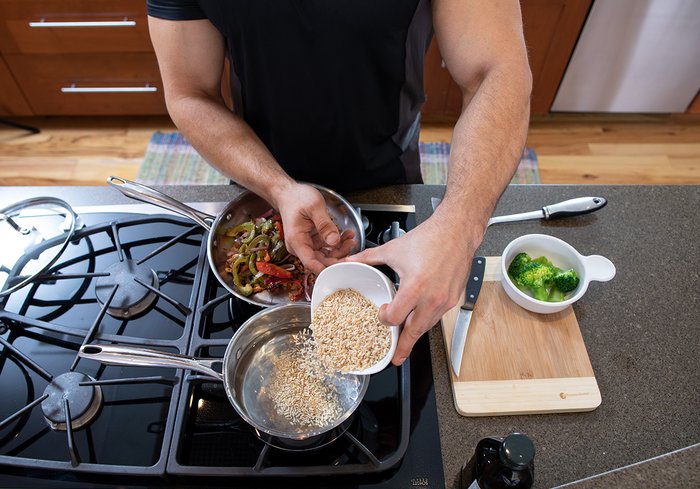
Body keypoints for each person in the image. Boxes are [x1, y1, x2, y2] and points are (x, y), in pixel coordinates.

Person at [146, 0, 532, 366]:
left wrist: (458, 227)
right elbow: (190, 93)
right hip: (261, 184)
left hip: (386, 176)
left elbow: (498, 72)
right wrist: (278, 187)